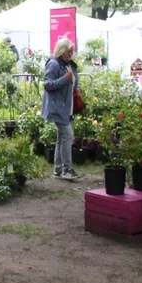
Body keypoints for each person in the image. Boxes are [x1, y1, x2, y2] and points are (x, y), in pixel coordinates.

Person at [42, 37, 80, 181]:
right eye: (67, 52)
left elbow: (73, 80)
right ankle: (66, 169)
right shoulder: (54, 64)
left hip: (66, 107)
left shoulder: (69, 64)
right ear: (61, 51)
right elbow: (48, 84)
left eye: (71, 51)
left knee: (61, 138)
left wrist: (77, 89)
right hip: (58, 107)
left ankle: (58, 169)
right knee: (68, 136)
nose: (70, 54)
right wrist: (65, 78)